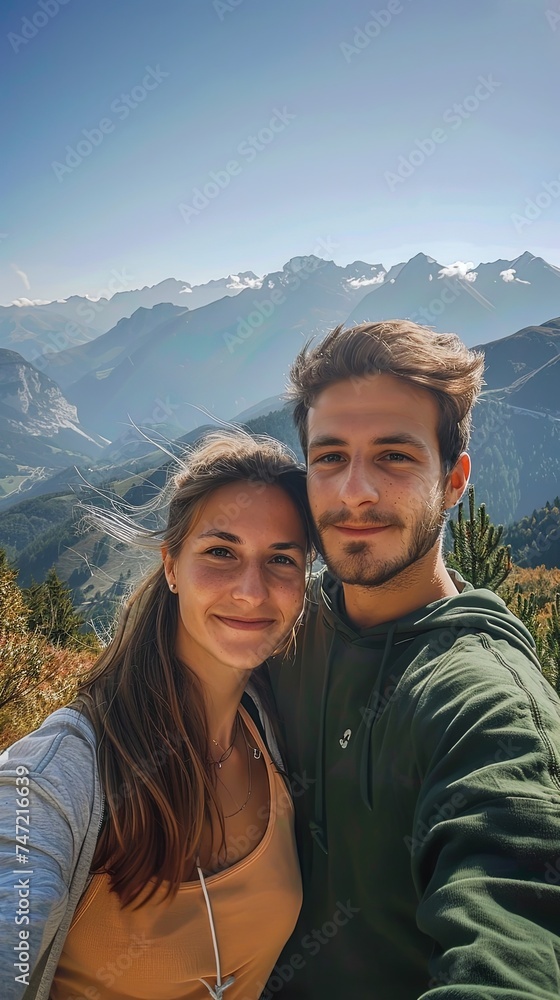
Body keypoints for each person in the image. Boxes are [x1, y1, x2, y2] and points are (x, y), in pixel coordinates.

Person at [268, 320, 560, 999]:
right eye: (330, 457)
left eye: (394, 456)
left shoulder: (488, 711)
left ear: (454, 481)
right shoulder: (281, 629)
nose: (355, 491)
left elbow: (510, 954)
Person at [0, 431, 316, 1000]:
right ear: (171, 565)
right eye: (221, 552)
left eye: (281, 559)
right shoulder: (63, 773)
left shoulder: (270, 728)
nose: (251, 591)